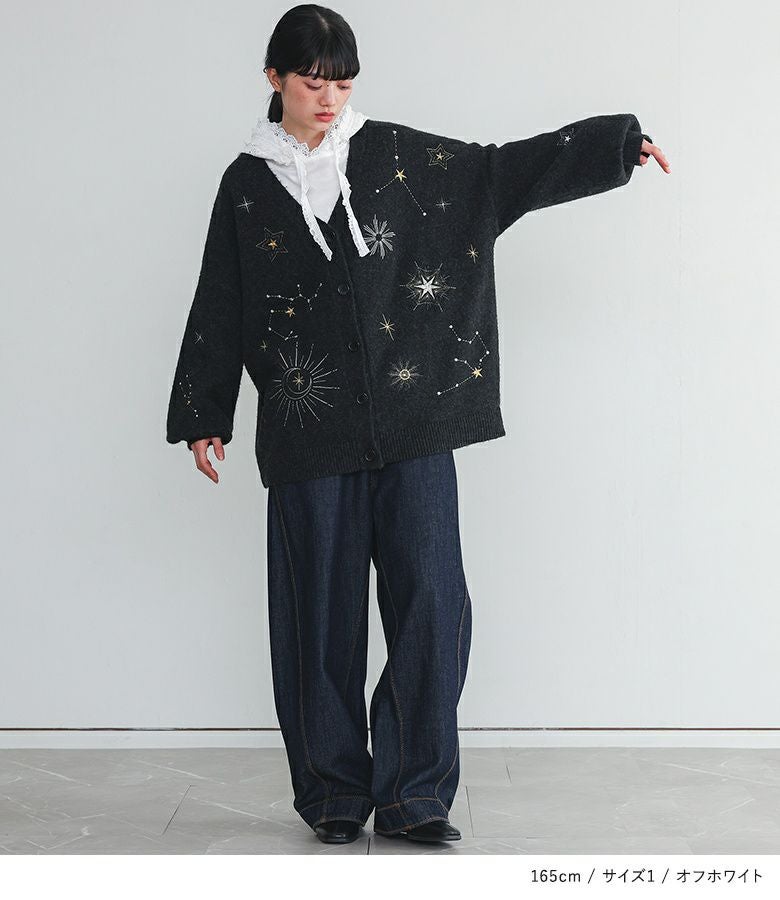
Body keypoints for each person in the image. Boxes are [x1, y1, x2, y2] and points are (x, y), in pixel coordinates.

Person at [165, 3, 670, 846]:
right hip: (308, 433)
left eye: (342, 83)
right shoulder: (245, 185)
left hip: (414, 426)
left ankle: (414, 795)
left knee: (433, 603)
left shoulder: (396, 156)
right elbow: (222, 295)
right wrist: (203, 411)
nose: (329, 99)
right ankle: (333, 793)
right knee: (317, 618)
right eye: (311, 82)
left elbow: (498, 175)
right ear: (274, 79)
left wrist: (613, 145)